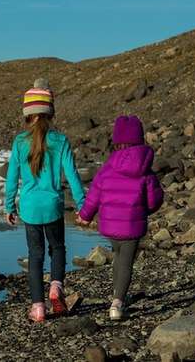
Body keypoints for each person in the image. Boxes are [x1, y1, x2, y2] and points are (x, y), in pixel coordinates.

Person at [4, 78, 85, 322]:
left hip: (29, 208)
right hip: (52, 207)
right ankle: (56, 287)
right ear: (49, 113)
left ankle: (38, 307)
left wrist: (9, 205)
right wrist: (83, 207)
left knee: (35, 255)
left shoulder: (20, 142)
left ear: (28, 114)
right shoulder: (60, 141)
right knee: (57, 247)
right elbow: (72, 176)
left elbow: (11, 178)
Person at [75, 115, 163, 320]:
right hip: (132, 225)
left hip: (109, 224)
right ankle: (117, 302)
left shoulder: (107, 168)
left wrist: (85, 216)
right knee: (125, 261)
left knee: (118, 255)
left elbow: (94, 195)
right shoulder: (145, 171)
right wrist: (143, 210)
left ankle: (117, 294)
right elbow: (153, 201)